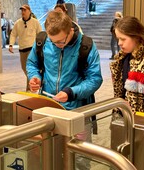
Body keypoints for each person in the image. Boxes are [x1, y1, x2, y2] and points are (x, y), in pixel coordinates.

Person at [27, 11, 103, 169]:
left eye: (61, 42)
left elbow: (95, 78)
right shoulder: (42, 40)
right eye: (52, 42)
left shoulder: (86, 45)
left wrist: (71, 92)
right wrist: (35, 78)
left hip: (78, 110)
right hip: (49, 108)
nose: (56, 45)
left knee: (80, 157)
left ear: (71, 31)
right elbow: (32, 63)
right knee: (48, 152)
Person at [9, 4, 42, 91]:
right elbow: (13, 34)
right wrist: (11, 44)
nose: (23, 12)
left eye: (25, 10)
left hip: (32, 49)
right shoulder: (18, 23)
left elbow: (40, 34)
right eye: (22, 11)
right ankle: (34, 83)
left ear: (29, 11)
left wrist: (40, 46)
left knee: (29, 69)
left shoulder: (35, 22)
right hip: (22, 49)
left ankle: (29, 88)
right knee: (24, 68)